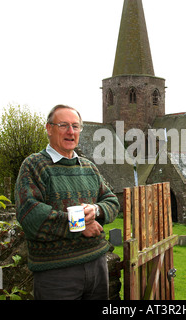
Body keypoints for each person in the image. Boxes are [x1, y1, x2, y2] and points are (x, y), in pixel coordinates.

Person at [15, 104, 120, 300]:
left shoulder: (88, 167)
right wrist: (79, 225)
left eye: (75, 126)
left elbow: (112, 201)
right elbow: (29, 214)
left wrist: (95, 210)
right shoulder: (34, 165)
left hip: (97, 265)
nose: (71, 132)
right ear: (49, 128)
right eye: (63, 125)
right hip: (56, 273)